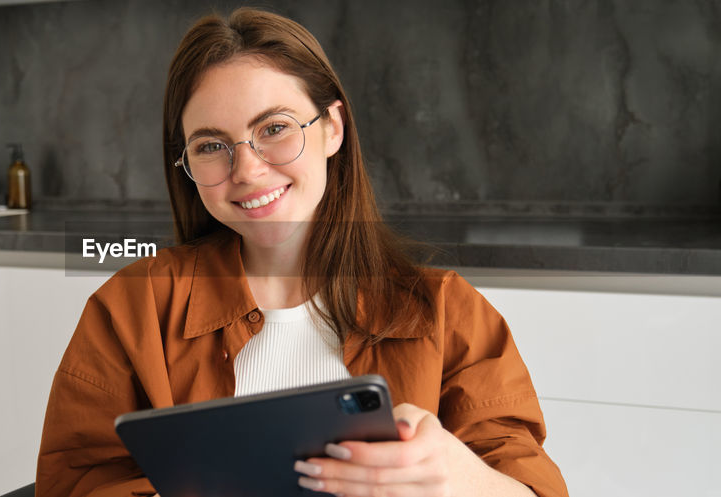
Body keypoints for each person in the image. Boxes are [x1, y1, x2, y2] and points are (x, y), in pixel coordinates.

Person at [36, 7, 567, 497]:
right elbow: (72, 482)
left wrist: (464, 479)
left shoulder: (450, 313)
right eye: (211, 145)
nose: (246, 170)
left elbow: (530, 485)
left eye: (274, 129)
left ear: (332, 128)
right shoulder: (131, 310)